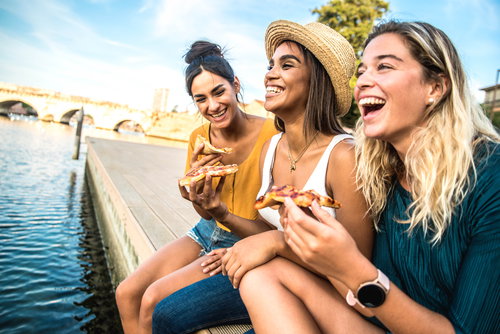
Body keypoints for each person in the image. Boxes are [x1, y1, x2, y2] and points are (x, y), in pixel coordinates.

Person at [238, 20, 500, 334]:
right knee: (260, 277)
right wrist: (309, 244)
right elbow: (361, 300)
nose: (362, 82)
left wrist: (352, 268)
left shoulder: (489, 177)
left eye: (384, 67)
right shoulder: (382, 174)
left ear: (435, 87)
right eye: (362, 72)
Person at [153, 20, 374, 333]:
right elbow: (264, 228)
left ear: (317, 80)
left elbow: (357, 268)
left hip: (324, 295)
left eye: (287, 64)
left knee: (168, 315)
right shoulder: (272, 148)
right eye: (271, 64)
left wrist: (276, 244)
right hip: (269, 274)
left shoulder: (345, 156)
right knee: (165, 314)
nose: (270, 73)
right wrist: (220, 211)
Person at [115, 40, 278, 334]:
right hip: (206, 231)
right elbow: (205, 215)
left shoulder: (273, 133)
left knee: (152, 300)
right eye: (200, 99)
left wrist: (219, 211)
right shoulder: (199, 137)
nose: (212, 106)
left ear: (235, 85)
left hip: (247, 239)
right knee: (126, 294)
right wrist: (193, 192)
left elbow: (274, 225)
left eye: (219, 92)